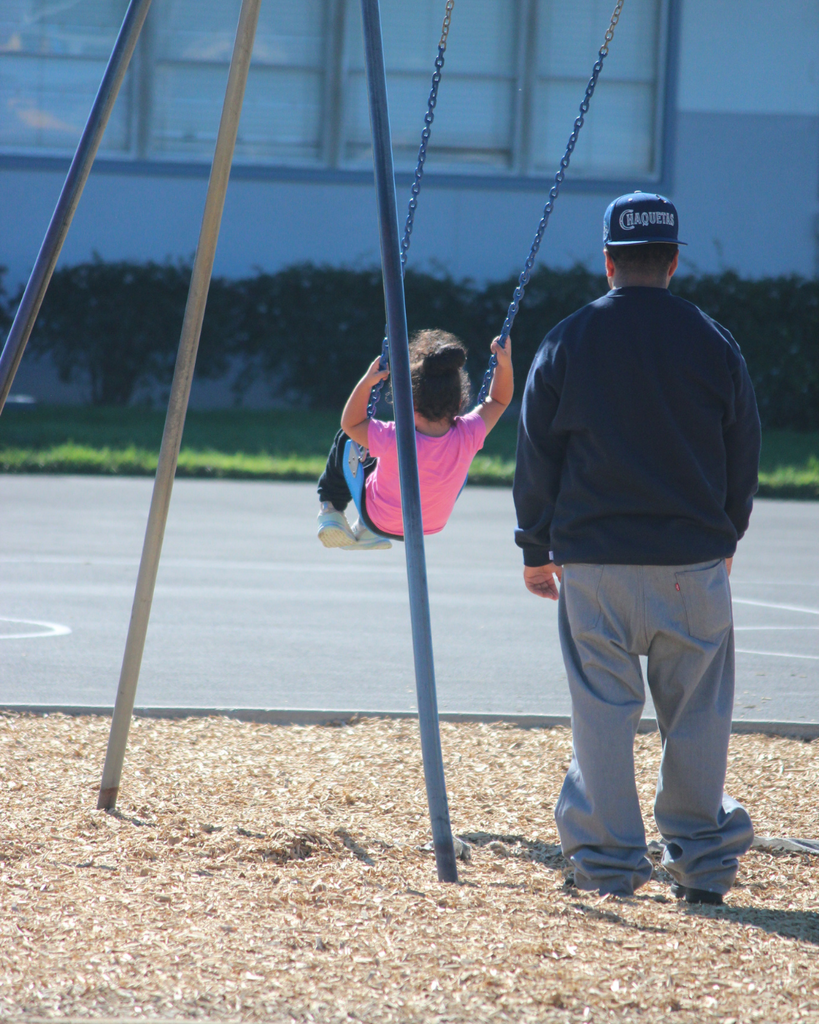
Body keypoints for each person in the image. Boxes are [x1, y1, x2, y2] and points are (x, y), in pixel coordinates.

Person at [513, 192, 761, 904]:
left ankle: (607, 865)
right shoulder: (712, 340)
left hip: (593, 561)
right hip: (692, 561)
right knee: (698, 716)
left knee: (601, 711)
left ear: (607, 260)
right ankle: (703, 864)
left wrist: (536, 546)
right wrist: (726, 532)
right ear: (675, 261)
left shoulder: (567, 339)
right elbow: (741, 447)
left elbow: (537, 456)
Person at [317, 328, 513, 549]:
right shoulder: (469, 433)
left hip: (380, 518)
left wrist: (366, 383)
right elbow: (498, 401)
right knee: (384, 458)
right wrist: (504, 364)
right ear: (459, 403)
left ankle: (331, 509)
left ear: (408, 403)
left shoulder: (394, 437)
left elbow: (350, 423)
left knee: (349, 439)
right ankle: (364, 531)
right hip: (428, 524)